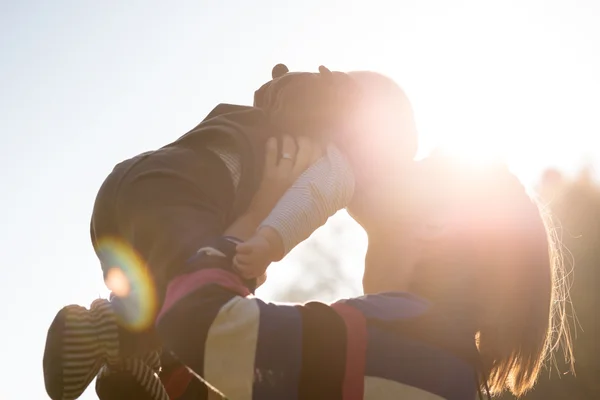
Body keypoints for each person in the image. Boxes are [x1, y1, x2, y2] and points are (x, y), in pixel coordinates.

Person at [42, 65, 418, 400]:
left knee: (170, 280)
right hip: (183, 194)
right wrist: (269, 242)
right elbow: (308, 199)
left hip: (126, 194)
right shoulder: (341, 163)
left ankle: (139, 363)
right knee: (214, 279)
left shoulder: (275, 112)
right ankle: (101, 331)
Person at [154, 151, 573, 400]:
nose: (387, 164)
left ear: (437, 222)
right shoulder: (444, 362)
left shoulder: (396, 335)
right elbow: (212, 380)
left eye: (418, 166)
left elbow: (197, 323)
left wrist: (252, 219)